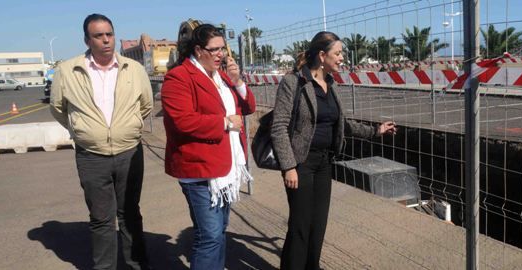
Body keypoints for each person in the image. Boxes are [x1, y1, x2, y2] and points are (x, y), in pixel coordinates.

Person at [271, 31, 397, 270]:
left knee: (318, 225)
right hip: (301, 163)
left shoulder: (331, 84)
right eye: (338, 53)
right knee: (300, 225)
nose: (342, 59)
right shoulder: (294, 82)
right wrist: (288, 167)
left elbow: (341, 124)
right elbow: (279, 127)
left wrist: (375, 131)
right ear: (321, 55)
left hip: (324, 162)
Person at [49, 14, 153, 270]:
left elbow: (146, 105)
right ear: (87, 39)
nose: (106, 40)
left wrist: (126, 128)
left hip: (130, 152)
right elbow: (58, 108)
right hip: (91, 156)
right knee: (101, 219)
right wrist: (84, 131)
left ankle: (136, 265)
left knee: (130, 214)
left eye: (109, 34)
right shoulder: (68, 70)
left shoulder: (134, 69)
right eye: (99, 35)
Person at [161, 24, 256, 270]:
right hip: (199, 169)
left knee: (219, 232)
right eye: (214, 50)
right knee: (210, 236)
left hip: (223, 168)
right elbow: (182, 120)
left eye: (222, 49)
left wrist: (237, 82)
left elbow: (248, 108)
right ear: (198, 49)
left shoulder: (220, 76)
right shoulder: (179, 77)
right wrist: (224, 123)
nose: (220, 54)